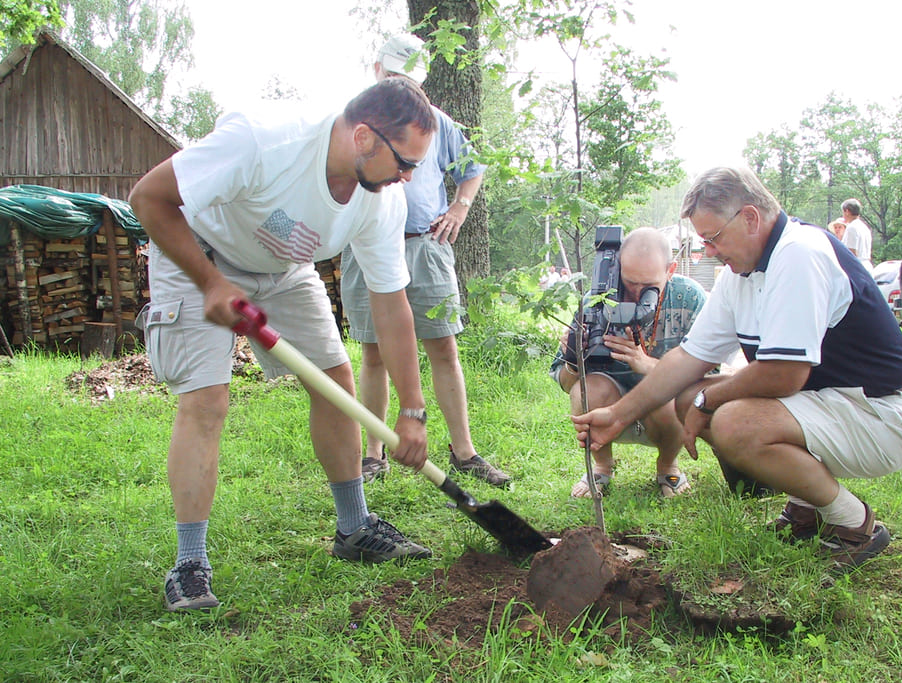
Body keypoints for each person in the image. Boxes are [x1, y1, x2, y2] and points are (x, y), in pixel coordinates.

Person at [129, 78, 439, 612]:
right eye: (405, 162)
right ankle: (190, 562)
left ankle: (353, 527)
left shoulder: (381, 198)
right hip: (198, 251)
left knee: (335, 381)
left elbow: (391, 305)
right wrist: (209, 283)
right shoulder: (265, 140)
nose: (409, 177)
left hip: (282, 267)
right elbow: (148, 199)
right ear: (364, 137)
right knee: (207, 399)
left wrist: (412, 411)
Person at [572, 167, 902, 569]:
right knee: (689, 396)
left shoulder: (799, 253)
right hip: (831, 403)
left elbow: (784, 375)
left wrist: (710, 400)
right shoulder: (742, 273)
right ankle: (805, 509)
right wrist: (617, 416)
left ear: (750, 218)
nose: (708, 251)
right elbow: (688, 359)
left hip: (879, 414)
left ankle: (854, 524)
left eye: (713, 238)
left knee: (730, 420)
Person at [342, 33, 510, 487]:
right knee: (374, 353)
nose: (399, 84)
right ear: (377, 70)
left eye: (407, 78)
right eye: (393, 74)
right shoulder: (353, 123)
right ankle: (373, 455)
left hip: (425, 245)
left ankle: (465, 453)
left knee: (444, 348)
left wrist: (460, 208)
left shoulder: (437, 123)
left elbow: (472, 169)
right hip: (367, 247)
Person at [551, 228, 706, 498]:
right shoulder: (597, 300)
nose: (635, 294)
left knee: (671, 394)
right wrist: (572, 359)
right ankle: (600, 467)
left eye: (647, 287)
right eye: (629, 281)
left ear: (670, 270)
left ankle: (668, 465)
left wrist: (647, 365)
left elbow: (706, 381)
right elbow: (567, 384)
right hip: (608, 408)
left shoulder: (691, 298)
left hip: (665, 414)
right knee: (587, 389)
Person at [840, 198, 873, 269]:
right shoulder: (864, 227)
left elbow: (851, 253)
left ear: (847, 211)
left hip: (857, 267)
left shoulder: (852, 228)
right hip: (867, 265)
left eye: (843, 212)